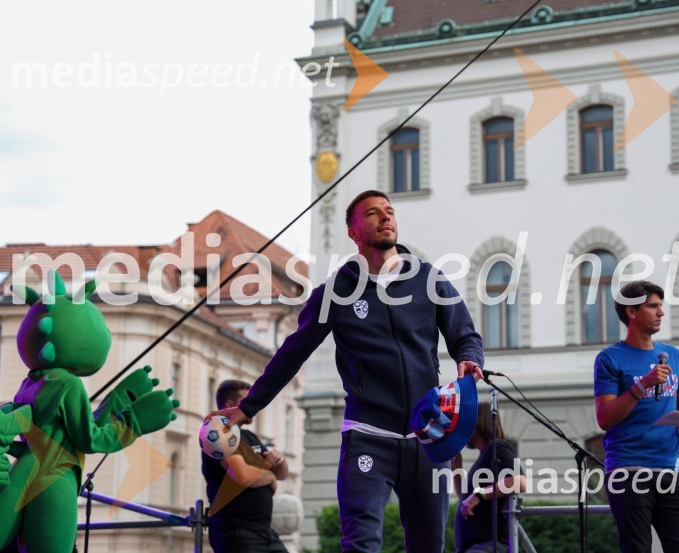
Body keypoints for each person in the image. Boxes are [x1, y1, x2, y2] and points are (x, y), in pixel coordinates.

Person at [207, 190, 484, 553]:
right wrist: (248, 407)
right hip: (368, 436)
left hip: (427, 437)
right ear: (353, 232)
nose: (385, 217)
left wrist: (469, 358)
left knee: (430, 545)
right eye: (372, 213)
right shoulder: (335, 292)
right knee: (360, 544)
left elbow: (465, 335)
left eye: (389, 211)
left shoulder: (429, 280)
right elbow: (292, 353)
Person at [593, 280, 679, 553]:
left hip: (670, 469)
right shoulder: (609, 358)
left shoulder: (673, 355)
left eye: (660, 306)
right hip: (628, 470)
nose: (661, 312)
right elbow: (605, 418)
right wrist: (643, 384)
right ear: (631, 312)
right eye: (653, 306)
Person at [202, 380, 289, 553]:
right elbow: (243, 476)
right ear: (230, 405)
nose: (253, 406)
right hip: (237, 532)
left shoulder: (249, 436)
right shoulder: (218, 434)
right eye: (247, 401)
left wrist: (280, 460)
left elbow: (281, 474)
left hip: (263, 531)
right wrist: (269, 477)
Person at [452, 401, 526, 553]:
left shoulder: (497, 447)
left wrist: (479, 494)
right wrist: (457, 469)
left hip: (489, 546)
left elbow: (519, 482)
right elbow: (465, 499)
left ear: (478, 423)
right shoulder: (485, 455)